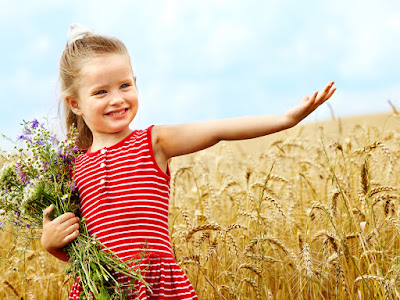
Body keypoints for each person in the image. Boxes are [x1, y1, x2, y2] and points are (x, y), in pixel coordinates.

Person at [41, 24, 336, 300]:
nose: (117, 99)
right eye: (101, 92)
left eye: (125, 85)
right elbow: (80, 251)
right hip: (101, 289)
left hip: (155, 286)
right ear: (75, 103)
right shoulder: (71, 168)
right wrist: (51, 244)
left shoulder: (153, 142)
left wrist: (286, 119)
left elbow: (218, 130)